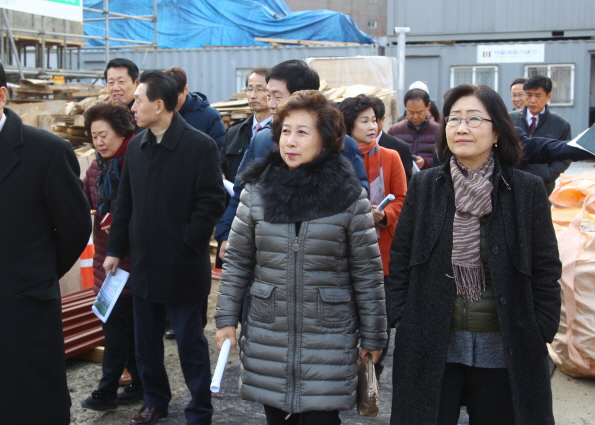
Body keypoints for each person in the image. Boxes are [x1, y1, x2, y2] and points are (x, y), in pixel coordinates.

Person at [386, 84, 562, 425]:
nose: (461, 128)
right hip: (433, 342)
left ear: (496, 131)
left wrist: (542, 327)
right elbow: (402, 255)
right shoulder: (425, 186)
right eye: (454, 119)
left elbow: (546, 267)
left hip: (505, 346)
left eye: (473, 119)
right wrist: (402, 316)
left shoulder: (525, 190)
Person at [215, 90, 387, 425]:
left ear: (325, 140)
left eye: (302, 132)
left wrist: (374, 336)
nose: (290, 141)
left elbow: (367, 272)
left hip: (329, 334)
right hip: (269, 331)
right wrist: (225, 320)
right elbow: (237, 262)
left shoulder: (350, 199)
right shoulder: (257, 193)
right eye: (286, 131)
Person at [104, 70, 225, 425]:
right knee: (146, 343)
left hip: (183, 266)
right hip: (143, 265)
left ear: (159, 105)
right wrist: (115, 249)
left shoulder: (199, 145)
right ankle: (155, 400)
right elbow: (124, 203)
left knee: (189, 342)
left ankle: (200, 406)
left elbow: (211, 201)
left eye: (138, 100)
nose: (133, 106)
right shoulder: (138, 147)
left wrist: (188, 241)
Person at [0, 61, 92, 424]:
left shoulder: (47, 151)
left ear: (2, 96)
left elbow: (73, 228)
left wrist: (35, 273)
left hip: (25, 306)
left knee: (32, 404)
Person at [215, 59, 368, 260]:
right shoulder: (261, 140)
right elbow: (240, 193)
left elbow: (358, 197)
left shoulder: (341, 143)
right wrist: (226, 233)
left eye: (277, 97)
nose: (270, 105)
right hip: (266, 258)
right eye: (268, 95)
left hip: (322, 258)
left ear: (302, 97)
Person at [81, 99, 143, 411]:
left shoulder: (137, 161)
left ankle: (107, 391)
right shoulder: (95, 168)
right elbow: (82, 202)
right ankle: (139, 384)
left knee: (119, 330)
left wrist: (120, 226)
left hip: (133, 260)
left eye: (104, 134)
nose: (100, 142)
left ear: (121, 132)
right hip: (105, 263)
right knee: (118, 327)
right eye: (94, 136)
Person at [340, 94, 407, 377]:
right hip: (345, 253)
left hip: (383, 252)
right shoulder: (336, 157)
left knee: (379, 320)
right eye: (363, 120)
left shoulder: (390, 156)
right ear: (348, 126)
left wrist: (386, 214)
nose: (372, 126)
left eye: (374, 120)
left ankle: (371, 378)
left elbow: (403, 197)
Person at [509, 75, 572, 194]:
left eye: (538, 95)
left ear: (548, 96)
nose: (532, 100)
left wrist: (548, 175)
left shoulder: (561, 124)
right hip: (512, 185)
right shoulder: (509, 119)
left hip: (543, 187)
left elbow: (565, 156)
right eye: (528, 95)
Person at [220, 66, 271, 185]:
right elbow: (221, 166)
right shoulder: (234, 132)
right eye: (249, 89)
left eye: (260, 89)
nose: (253, 95)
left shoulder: (282, 133)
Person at [164, 66, 226, 148]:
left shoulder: (209, 116)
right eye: (167, 96)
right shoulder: (158, 114)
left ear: (186, 90)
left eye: (176, 96)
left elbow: (218, 150)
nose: (171, 100)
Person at [388, 87, 438, 170]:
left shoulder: (438, 131)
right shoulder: (394, 131)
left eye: (419, 112)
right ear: (405, 107)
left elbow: (445, 160)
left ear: (428, 106)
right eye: (410, 112)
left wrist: (425, 162)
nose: (415, 116)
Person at [370, 95, 413, 183]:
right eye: (364, 121)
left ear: (382, 120)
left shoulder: (400, 149)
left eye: (374, 121)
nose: (369, 127)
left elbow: (406, 186)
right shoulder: (350, 147)